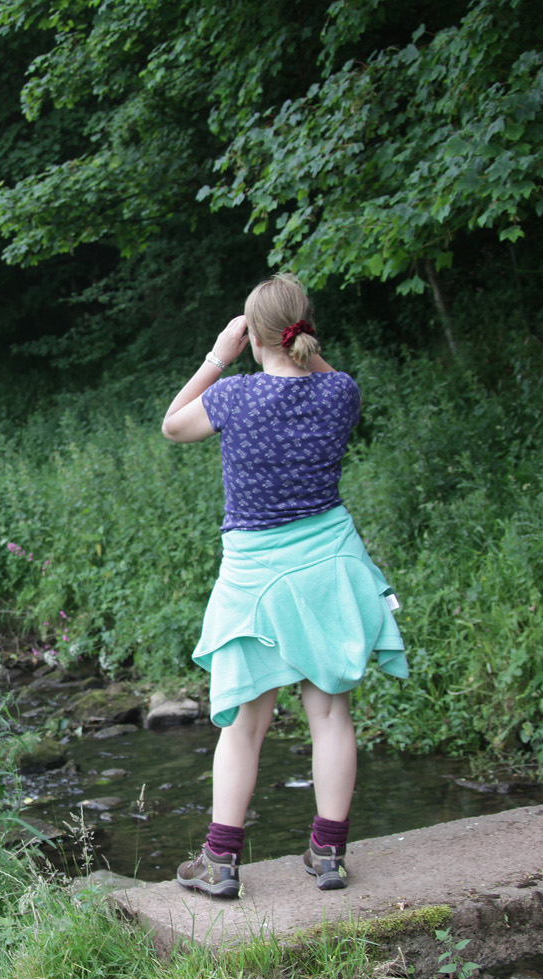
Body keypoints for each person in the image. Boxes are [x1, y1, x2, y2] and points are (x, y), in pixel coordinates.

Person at [160, 273, 408, 899]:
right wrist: (303, 345)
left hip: (256, 578)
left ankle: (221, 863)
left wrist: (218, 356)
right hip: (329, 566)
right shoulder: (340, 392)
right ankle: (328, 854)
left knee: (246, 722)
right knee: (330, 711)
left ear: (252, 336)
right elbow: (328, 373)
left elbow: (172, 425)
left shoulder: (233, 395)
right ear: (305, 328)